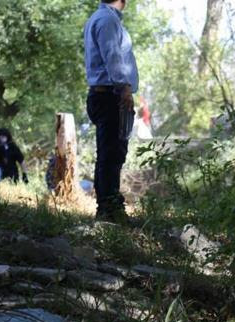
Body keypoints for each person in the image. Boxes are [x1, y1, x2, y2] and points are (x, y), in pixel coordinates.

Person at [84, 0, 139, 222]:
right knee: (111, 154)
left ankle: (108, 207)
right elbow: (113, 56)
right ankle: (109, 210)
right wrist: (124, 88)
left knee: (110, 153)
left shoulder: (101, 18)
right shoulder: (107, 20)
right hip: (109, 96)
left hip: (105, 95)